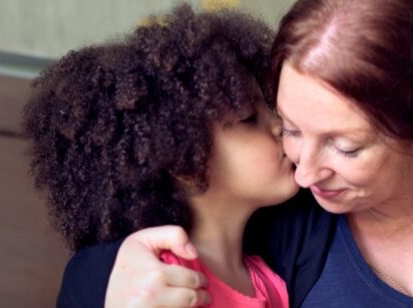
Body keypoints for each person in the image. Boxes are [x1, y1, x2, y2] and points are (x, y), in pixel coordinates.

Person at [58, 0, 413, 307]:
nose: (305, 168)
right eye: (290, 126)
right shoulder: (272, 216)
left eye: (346, 146)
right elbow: (121, 257)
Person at [22, 5, 299, 307]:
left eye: (268, 108)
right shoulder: (162, 280)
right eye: (249, 119)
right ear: (186, 161)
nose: (279, 124)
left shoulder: (270, 279)